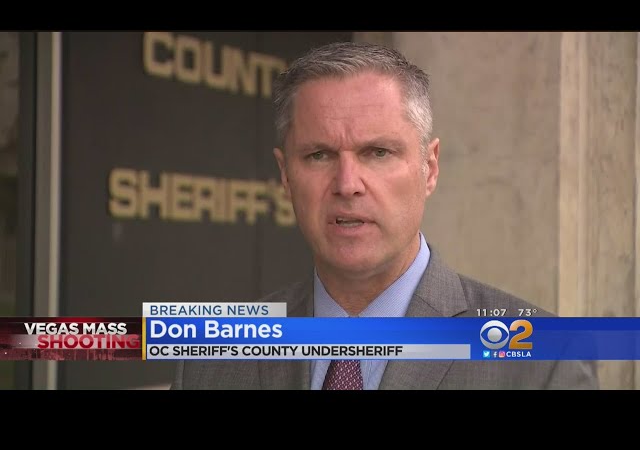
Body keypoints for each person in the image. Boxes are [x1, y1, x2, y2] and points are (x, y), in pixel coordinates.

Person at [171, 41, 599, 390]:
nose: (347, 184)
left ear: (429, 168)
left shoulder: (546, 362)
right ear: (285, 176)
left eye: (377, 152)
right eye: (319, 155)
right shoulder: (212, 359)